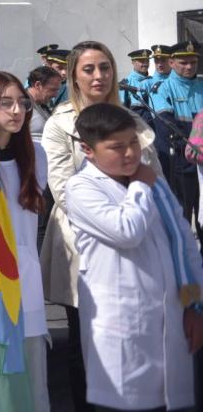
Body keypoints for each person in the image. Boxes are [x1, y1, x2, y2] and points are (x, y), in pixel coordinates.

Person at [40, 40, 162, 412]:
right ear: (74, 75)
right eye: (89, 69)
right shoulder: (61, 124)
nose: (98, 76)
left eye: (104, 68)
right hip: (85, 244)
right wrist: (117, 211)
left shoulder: (136, 121)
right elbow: (62, 190)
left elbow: (153, 178)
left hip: (137, 239)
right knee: (86, 344)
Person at [66, 103, 203, 411]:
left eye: (133, 143)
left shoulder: (153, 181)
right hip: (122, 330)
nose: (130, 153)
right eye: (116, 147)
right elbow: (128, 231)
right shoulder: (82, 188)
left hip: (171, 320)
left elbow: (184, 245)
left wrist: (195, 305)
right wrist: (141, 184)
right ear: (88, 150)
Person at [0, 72, 51, 411]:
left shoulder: (36, 156)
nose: (16, 111)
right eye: (4, 103)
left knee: (32, 375)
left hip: (25, 276)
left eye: (21, 103)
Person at [151, 41, 203, 229]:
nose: (189, 66)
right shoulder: (162, 88)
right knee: (182, 217)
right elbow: (167, 129)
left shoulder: (201, 85)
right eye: (183, 62)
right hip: (182, 163)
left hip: (202, 163)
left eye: (193, 62)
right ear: (171, 62)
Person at [26, 66, 63, 143]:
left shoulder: (42, 105)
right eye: (52, 90)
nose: (55, 95)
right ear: (38, 85)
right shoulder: (21, 106)